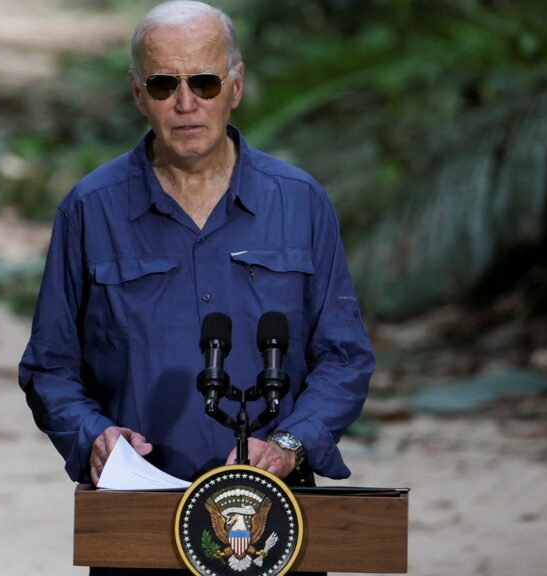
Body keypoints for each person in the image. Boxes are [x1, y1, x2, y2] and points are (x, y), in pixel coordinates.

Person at [19, 0, 372, 497]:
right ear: (138, 94)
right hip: (138, 503)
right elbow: (49, 366)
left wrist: (291, 443)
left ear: (237, 86)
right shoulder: (89, 210)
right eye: (165, 85)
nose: (186, 104)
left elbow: (344, 357)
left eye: (204, 82)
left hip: (274, 505)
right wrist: (93, 436)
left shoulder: (299, 202)